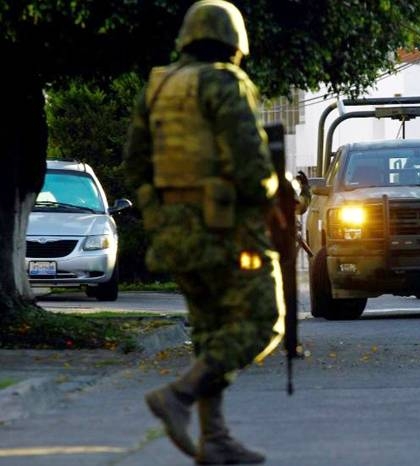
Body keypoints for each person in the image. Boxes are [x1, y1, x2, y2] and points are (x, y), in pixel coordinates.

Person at [123, 1, 283, 464]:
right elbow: (252, 169)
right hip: (223, 230)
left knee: (213, 331)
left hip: (173, 233)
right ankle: (180, 394)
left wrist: (161, 213)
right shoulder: (224, 82)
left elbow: (136, 162)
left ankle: (214, 438)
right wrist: (275, 192)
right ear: (234, 42)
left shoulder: (159, 86)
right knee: (262, 322)